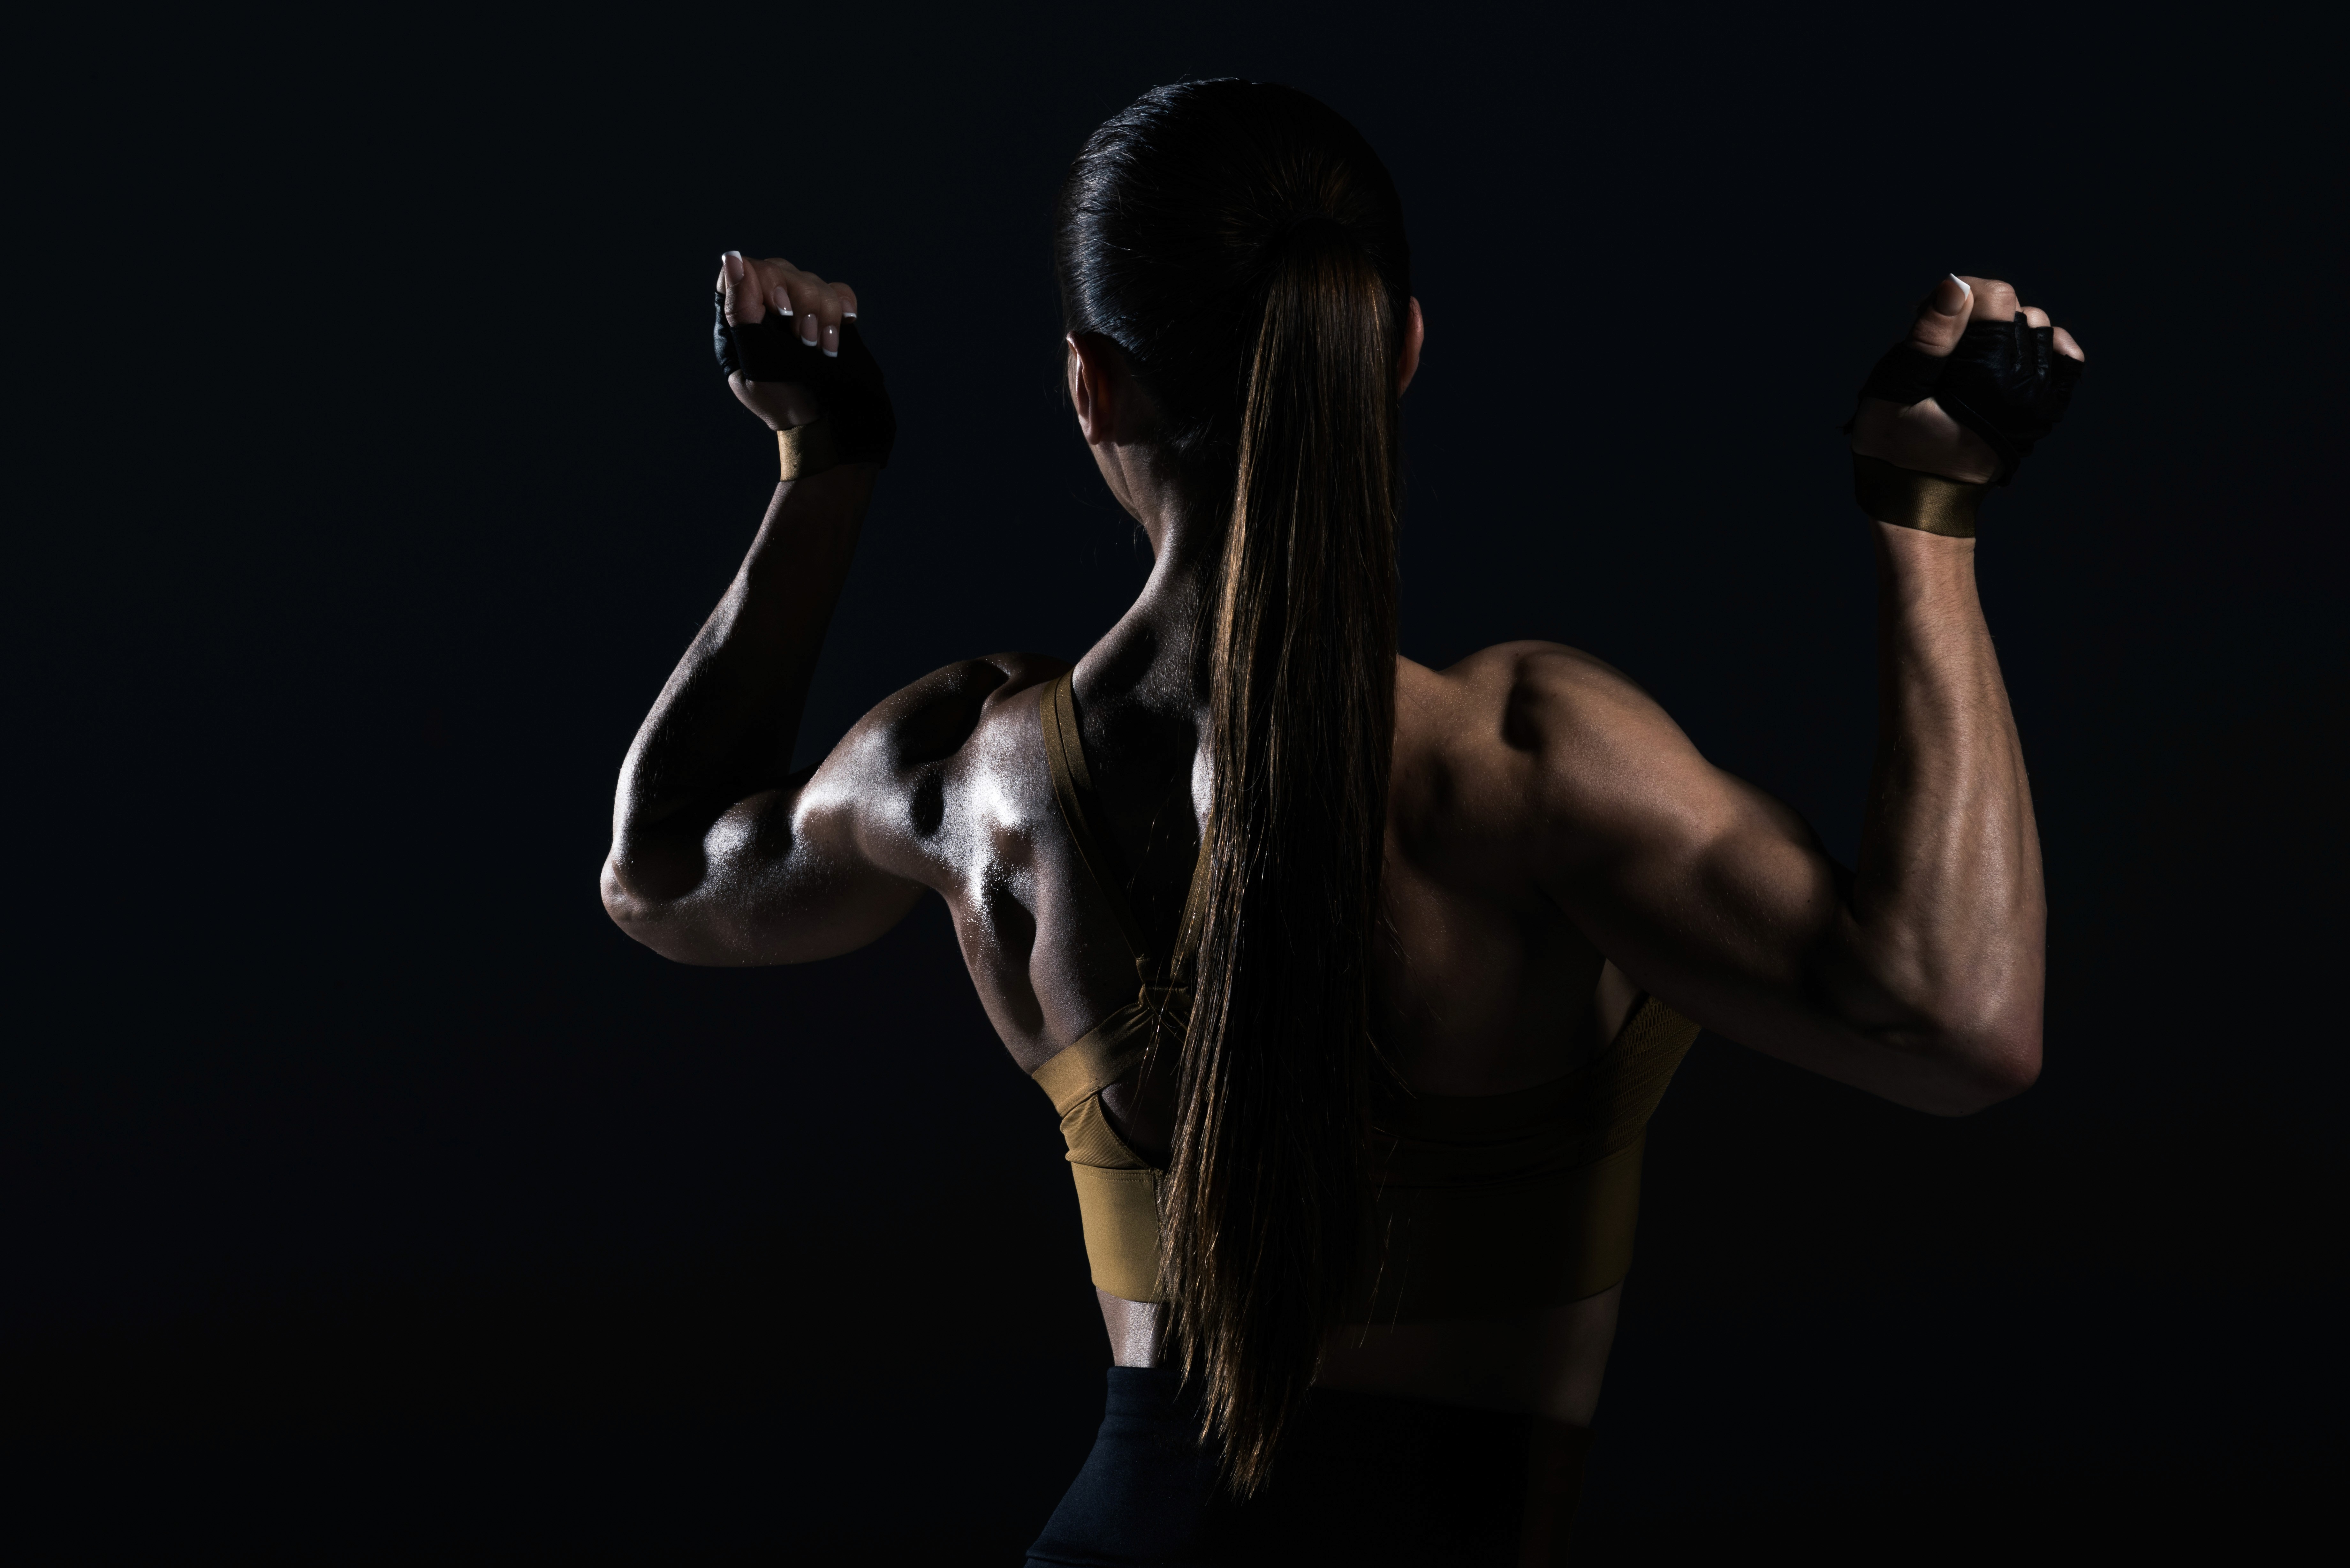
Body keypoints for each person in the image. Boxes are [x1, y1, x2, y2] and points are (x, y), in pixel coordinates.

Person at [600, 79, 2080, 1567]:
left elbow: (661, 874)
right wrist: (1924, 512)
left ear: (1089, 387)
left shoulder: (981, 777)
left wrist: (826, 465)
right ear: (1403, 352)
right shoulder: (1526, 768)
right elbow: (1962, 1026)